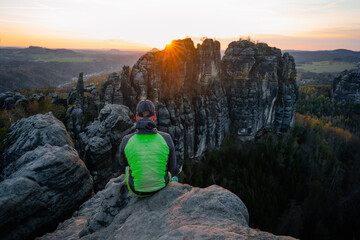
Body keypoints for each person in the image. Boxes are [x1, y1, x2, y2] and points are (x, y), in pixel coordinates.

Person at [118, 99, 177, 197]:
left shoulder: (126, 140)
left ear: (137, 117)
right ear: (154, 117)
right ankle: (173, 182)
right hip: (161, 187)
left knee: (128, 168)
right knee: (171, 175)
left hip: (136, 190)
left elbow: (122, 164)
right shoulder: (166, 138)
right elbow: (172, 167)